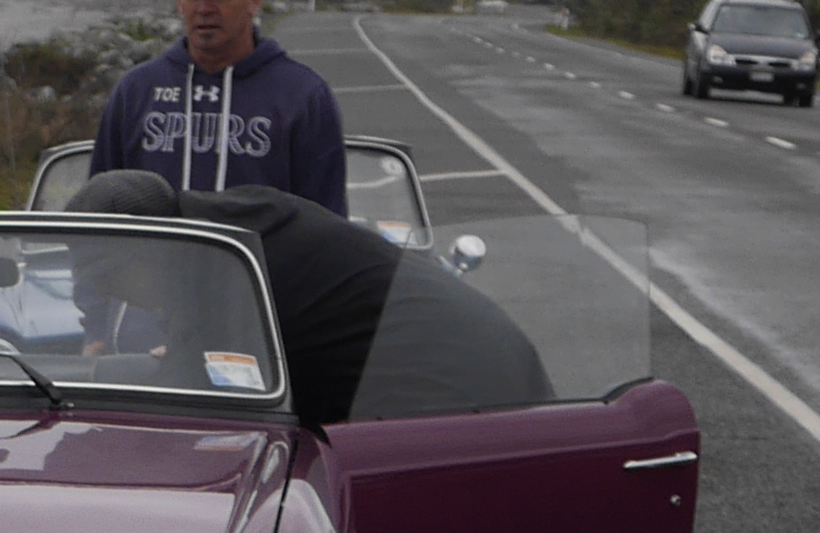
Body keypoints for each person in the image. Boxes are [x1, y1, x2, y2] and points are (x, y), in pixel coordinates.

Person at [65, 170, 547, 429]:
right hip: (478, 358)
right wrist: (188, 354)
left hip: (454, 386)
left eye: (111, 281)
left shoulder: (223, 266)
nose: (113, 295)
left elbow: (205, 411)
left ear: (146, 252)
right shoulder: (224, 230)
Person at [90, 0, 350, 214]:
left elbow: (327, 223)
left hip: (260, 246)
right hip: (156, 246)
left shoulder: (303, 97)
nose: (205, 8)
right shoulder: (135, 91)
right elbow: (101, 208)